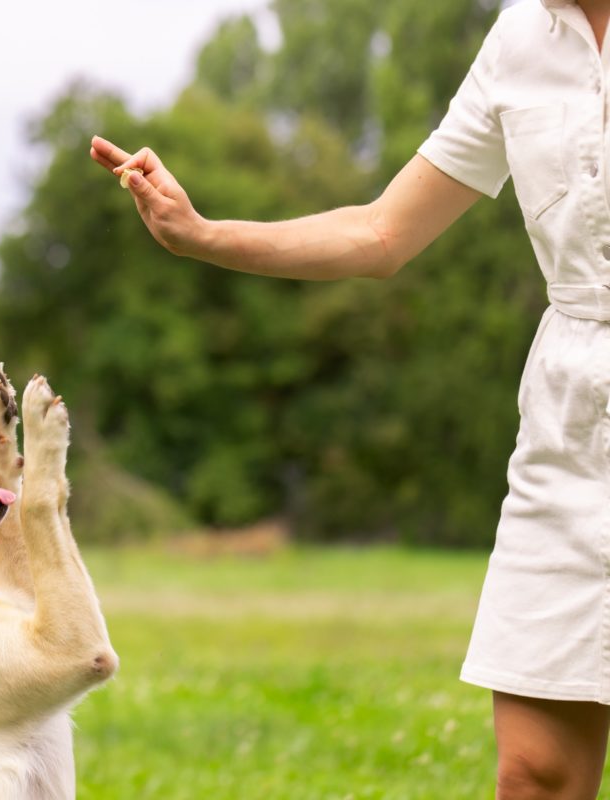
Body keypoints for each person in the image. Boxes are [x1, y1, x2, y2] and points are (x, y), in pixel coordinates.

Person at [92, 1, 610, 798]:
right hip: (569, 424)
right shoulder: (518, 43)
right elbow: (381, 233)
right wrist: (203, 233)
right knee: (535, 772)